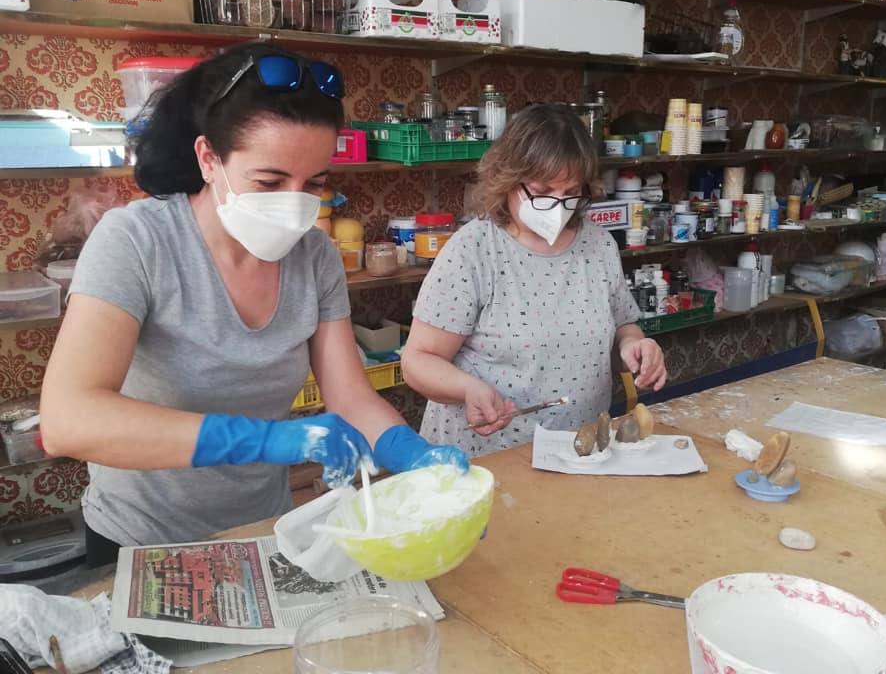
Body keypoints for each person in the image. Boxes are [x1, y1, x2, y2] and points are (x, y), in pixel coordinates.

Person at [39, 43, 467, 566]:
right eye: (269, 182)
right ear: (208, 159)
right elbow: (69, 420)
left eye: (314, 183)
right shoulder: (136, 241)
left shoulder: (315, 256)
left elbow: (350, 397)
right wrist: (267, 439)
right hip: (141, 537)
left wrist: (410, 453)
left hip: (263, 528)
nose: (294, 203)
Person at [402, 104, 667, 456]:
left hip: (578, 450)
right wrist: (467, 388)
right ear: (507, 180)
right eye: (542, 192)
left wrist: (633, 346)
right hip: (488, 455)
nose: (558, 206)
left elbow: (623, 326)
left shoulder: (599, 245)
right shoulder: (474, 250)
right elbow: (417, 360)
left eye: (570, 192)